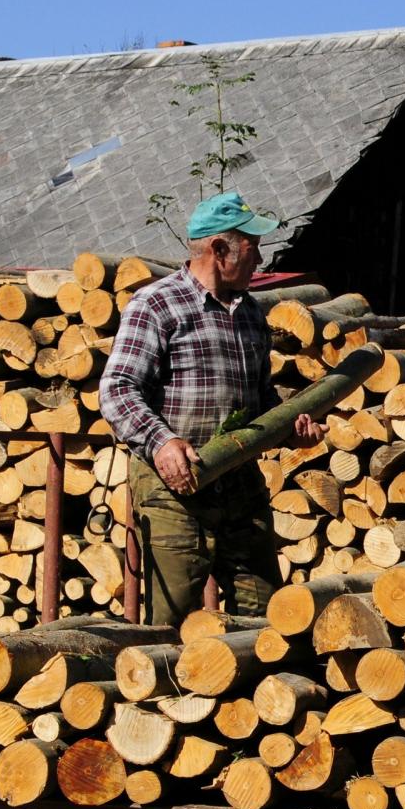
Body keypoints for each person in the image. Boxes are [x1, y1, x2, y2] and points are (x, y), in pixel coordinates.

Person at [100, 191, 325, 627]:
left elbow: (262, 399)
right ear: (220, 250)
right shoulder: (156, 304)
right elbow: (117, 389)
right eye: (252, 246)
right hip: (174, 486)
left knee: (265, 615)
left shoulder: (251, 314)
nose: (260, 258)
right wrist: (161, 442)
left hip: (239, 483)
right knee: (172, 621)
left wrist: (289, 428)